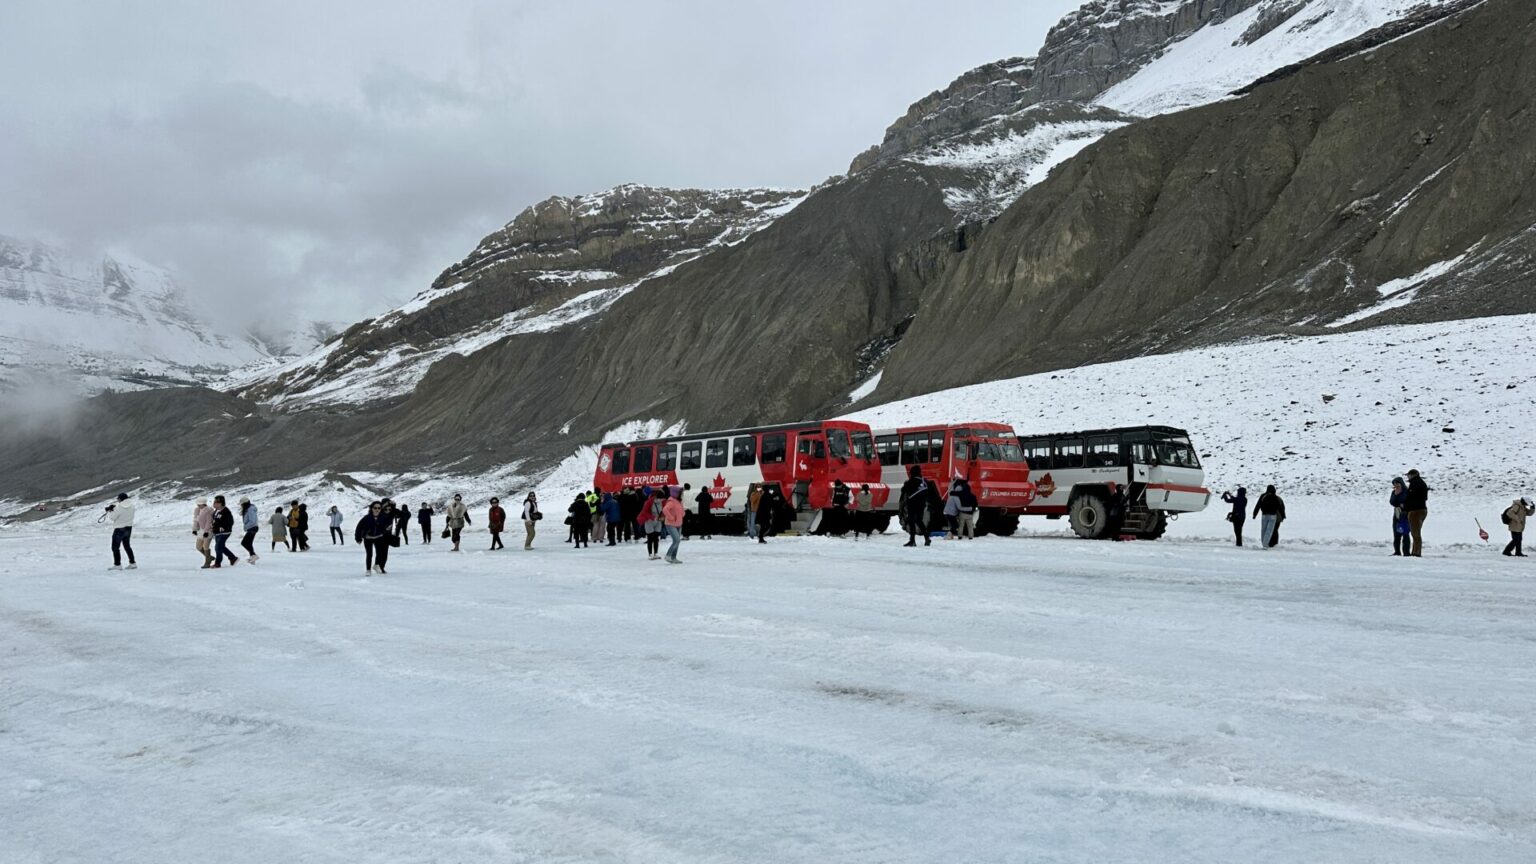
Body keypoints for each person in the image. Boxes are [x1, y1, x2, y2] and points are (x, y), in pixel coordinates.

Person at [355, 501, 393, 575]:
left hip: (378, 537)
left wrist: (385, 531)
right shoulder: (367, 518)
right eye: (375, 508)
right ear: (371, 508)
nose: (377, 509)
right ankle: (368, 570)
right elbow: (359, 528)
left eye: (379, 508)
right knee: (369, 554)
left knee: (380, 553)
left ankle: (376, 565)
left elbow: (387, 526)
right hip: (368, 538)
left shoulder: (383, 517)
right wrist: (358, 538)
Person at [901, 466, 935, 547]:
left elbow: (904, 490)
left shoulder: (911, 481)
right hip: (922, 504)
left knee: (911, 521)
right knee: (919, 521)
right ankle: (927, 537)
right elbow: (929, 491)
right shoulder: (924, 481)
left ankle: (912, 540)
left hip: (912, 503)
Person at [105, 492, 137, 570]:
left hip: (119, 528)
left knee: (115, 547)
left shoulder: (118, 507)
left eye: (118, 499)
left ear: (120, 499)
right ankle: (133, 563)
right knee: (127, 546)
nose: (117, 500)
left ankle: (117, 565)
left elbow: (112, 518)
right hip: (128, 528)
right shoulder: (132, 506)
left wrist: (111, 510)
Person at [1404, 469, 1430, 557]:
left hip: (1416, 510)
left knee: (1415, 533)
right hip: (1421, 509)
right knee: (1415, 532)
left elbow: (1411, 497)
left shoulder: (1415, 483)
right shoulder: (1420, 483)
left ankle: (1417, 552)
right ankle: (1415, 551)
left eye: (1409, 475)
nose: (1408, 476)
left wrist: (1406, 507)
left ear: (1413, 475)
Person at [209, 495, 239, 568]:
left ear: (220, 503)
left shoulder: (226, 511)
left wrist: (223, 527)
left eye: (216, 502)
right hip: (217, 533)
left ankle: (217, 563)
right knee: (221, 547)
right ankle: (232, 558)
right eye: (214, 502)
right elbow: (215, 520)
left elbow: (231, 522)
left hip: (224, 532)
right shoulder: (216, 511)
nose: (214, 504)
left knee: (218, 547)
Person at [1388, 478, 1411, 556]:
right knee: (1396, 534)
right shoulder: (1394, 492)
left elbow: (1408, 501)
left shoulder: (1407, 492)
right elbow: (1392, 502)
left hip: (1405, 515)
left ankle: (1406, 552)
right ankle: (1397, 551)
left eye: (1397, 484)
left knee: (1405, 534)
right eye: (1395, 484)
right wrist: (1396, 495)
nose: (1396, 485)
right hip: (1397, 514)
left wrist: (1402, 503)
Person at [662, 490, 685, 563]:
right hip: (671, 524)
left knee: (677, 541)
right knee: (676, 540)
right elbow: (665, 510)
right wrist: (671, 517)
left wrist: (682, 514)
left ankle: (673, 557)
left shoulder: (679, 501)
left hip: (678, 523)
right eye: (681, 493)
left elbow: (682, 511)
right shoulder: (671, 501)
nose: (682, 495)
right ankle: (668, 555)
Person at [644, 489, 666, 559]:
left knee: (656, 538)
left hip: (658, 521)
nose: (661, 500)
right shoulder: (649, 502)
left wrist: (662, 517)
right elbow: (644, 512)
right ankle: (650, 554)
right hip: (649, 521)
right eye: (660, 498)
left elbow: (662, 511)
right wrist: (653, 517)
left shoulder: (662, 502)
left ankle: (656, 553)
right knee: (650, 538)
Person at [193, 498, 214, 568]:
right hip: (201, 531)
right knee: (198, 547)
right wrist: (194, 529)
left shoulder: (208, 510)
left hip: (208, 531)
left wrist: (206, 531)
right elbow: (195, 520)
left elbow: (209, 521)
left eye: (199, 504)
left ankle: (207, 563)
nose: (198, 505)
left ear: (203, 504)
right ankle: (209, 557)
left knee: (205, 547)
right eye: (197, 504)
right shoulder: (197, 510)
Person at [239, 496, 260, 563]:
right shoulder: (248, 509)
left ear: (244, 504)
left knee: (244, 542)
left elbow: (252, 521)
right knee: (249, 543)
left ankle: (253, 555)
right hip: (252, 528)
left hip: (252, 528)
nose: (241, 506)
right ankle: (252, 557)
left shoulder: (250, 509)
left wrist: (246, 527)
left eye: (241, 504)